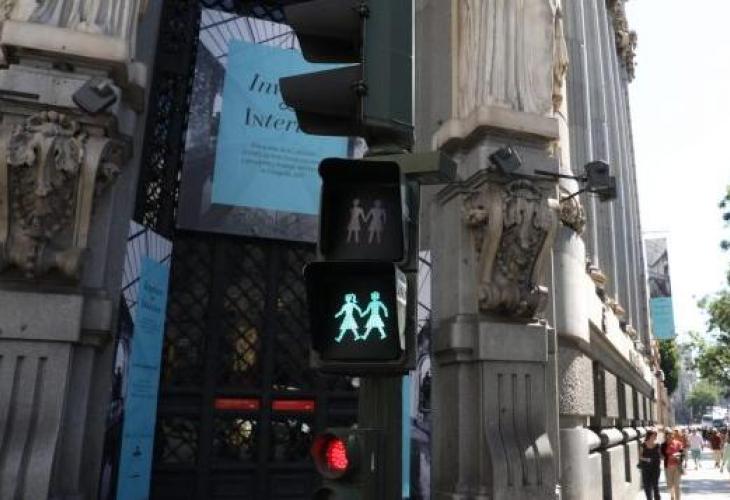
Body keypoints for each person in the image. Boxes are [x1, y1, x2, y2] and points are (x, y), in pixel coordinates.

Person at [639, 430, 661, 500]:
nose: (655, 437)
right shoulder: (643, 445)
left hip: (656, 468)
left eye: (655, 436)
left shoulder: (657, 445)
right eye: (654, 435)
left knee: (655, 486)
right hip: (646, 469)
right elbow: (640, 456)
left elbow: (660, 456)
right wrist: (646, 459)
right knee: (647, 486)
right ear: (649, 436)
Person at [662, 428, 684, 500]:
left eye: (671, 434)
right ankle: (672, 496)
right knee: (670, 484)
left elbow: (682, 453)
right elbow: (662, 455)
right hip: (668, 467)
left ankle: (678, 498)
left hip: (677, 466)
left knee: (677, 485)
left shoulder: (678, 443)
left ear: (673, 435)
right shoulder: (663, 445)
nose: (669, 436)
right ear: (665, 435)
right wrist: (669, 456)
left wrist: (677, 455)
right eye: (668, 434)